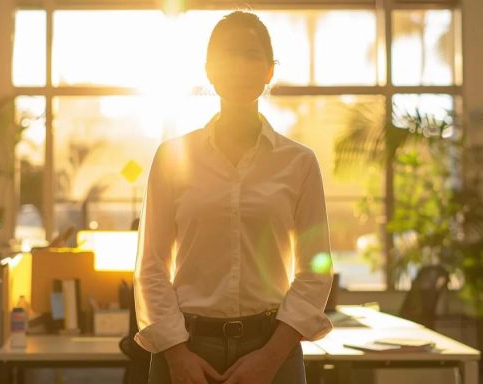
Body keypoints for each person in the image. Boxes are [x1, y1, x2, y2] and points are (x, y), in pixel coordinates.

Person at [134, 11, 334, 384]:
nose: (240, 66)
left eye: (251, 54)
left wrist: (271, 358)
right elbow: (151, 266)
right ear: (209, 69)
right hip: (186, 347)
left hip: (273, 346)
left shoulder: (299, 162)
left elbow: (316, 270)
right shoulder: (173, 157)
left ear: (269, 70)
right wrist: (177, 356)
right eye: (228, 54)